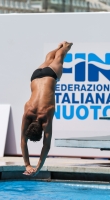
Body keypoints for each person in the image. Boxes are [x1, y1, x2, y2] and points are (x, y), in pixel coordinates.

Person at [21, 41, 73, 176]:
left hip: (51, 76)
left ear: (42, 129)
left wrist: (36, 168)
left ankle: (66, 46)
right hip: (36, 76)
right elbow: (23, 141)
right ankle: (59, 46)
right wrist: (26, 164)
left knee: (60, 56)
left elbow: (46, 145)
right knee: (49, 59)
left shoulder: (46, 117)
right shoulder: (28, 111)